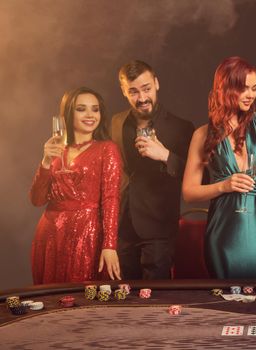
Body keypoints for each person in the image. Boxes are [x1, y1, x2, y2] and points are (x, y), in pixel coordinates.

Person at [182, 56, 256, 279]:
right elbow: (188, 192)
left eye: (254, 88)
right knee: (227, 300)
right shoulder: (202, 135)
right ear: (224, 89)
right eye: (243, 88)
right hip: (223, 234)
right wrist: (224, 186)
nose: (250, 95)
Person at [111, 60, 194, 279]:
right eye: (133, 92)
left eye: (146, 89)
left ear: (156, 83)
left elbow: (200, 177)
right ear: (123, 91)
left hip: (159, 230)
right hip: (123, 228)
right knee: (124, 300)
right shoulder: (116, 123)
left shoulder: (181, 128)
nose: (142, 98)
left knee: (155, 300)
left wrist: (165, 156)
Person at [30, 87, 122, 284]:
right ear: (69, 114)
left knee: (82, 299)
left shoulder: (107, 149)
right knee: (49, 299)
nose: (90, 115)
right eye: (82, 109)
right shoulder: (56, 150)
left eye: (95, 109)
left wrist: (110, 245)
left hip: (86, 234)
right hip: (50, 235)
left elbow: (111, 199)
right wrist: (46, 161)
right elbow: (37, 200)